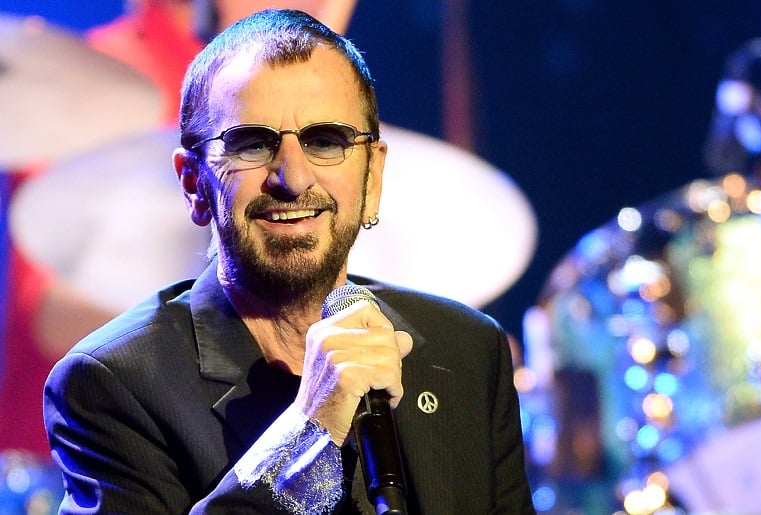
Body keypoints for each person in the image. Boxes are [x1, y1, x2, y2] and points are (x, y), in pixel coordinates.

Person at [43, 8, 534, 514]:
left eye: (326, 141)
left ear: (373, 177)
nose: (293, 178)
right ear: (193, 184)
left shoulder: (468, 352)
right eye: (252, 145)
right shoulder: (110, 385)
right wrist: (310, 432)